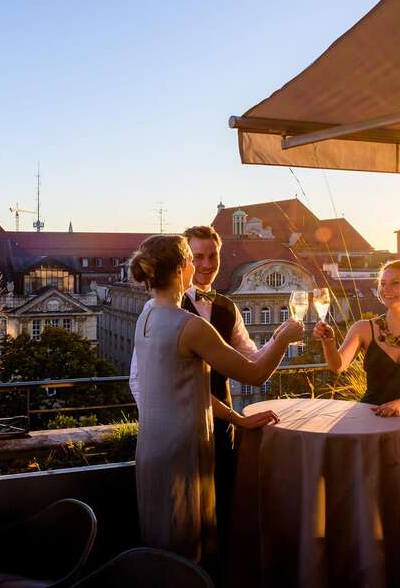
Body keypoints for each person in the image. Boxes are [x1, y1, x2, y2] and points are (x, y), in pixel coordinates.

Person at [129, 234, 301, 566]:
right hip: (183, 448)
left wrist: (236, 419)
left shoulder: (146, 316)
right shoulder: (190, 326)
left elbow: (181, 387)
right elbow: (254, 374)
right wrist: (282, 337)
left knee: (161, 540)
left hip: (152, 444)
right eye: (193, 259)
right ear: (182, 268)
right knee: (187, 542)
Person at [313, 259, 400, 504]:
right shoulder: (363, 328)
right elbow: (338, 366)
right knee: (371, 499)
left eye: (395, 283)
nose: (386, 289)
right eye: (383, 284)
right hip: (371, 422)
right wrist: (328, 342)